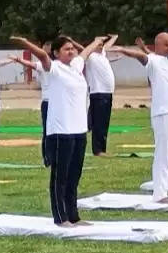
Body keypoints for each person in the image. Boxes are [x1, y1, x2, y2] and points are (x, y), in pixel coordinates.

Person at [15, 34, 108, 227]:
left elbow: (86, 52)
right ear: (57, 53)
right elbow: (42, 56)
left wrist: (96, 41)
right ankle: (60, 217)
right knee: (60, 176)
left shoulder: (76, 67)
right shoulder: (54, 69)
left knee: (74, 176)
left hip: (79, 130)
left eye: (72, 48)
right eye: (66, 49)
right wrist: (25, 43)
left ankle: (73, 216)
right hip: (60, 131)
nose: (71, 51)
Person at [118, 35, 168, 203]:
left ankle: (164, 190)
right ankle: (159, 194)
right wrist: (123, 50)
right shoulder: (153, 60)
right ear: (157, 46)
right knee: (163, 154)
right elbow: (140, 56)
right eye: (167, 45)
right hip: (164, 114)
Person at [84, 35, 120, 156]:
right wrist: (95, 41)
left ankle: (102, 149)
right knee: (99, 124)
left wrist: (114, 37)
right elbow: (85, 49)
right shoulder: (91, 56)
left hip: (107, 93)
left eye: (101, 45)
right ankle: (98, 150)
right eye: (98, 45)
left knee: (104, 123)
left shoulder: (102, 55)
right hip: (98, 93)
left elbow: (107, 45)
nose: (100, 46)